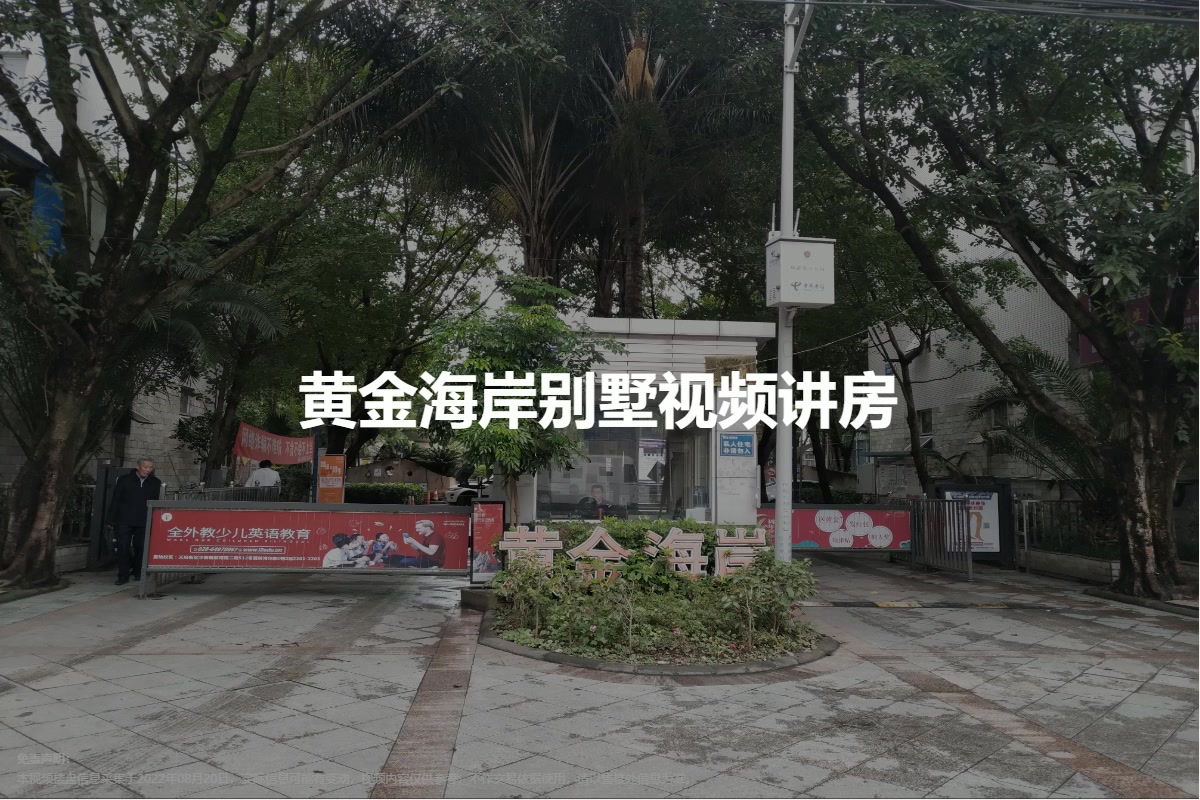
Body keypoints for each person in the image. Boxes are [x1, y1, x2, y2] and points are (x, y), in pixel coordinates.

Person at [109, 458, 162, 585]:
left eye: (150, 467)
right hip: (124, 519)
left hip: (144, 519)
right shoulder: (124, 480)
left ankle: (138, 571)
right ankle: (123, 575)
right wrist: (110, 519)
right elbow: (116, 499)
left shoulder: (155, 482)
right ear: (138, 466)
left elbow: (156, 502)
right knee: (123, 547)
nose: (148, 470)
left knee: (141, 546)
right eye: (145, 467)